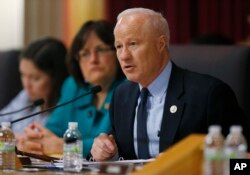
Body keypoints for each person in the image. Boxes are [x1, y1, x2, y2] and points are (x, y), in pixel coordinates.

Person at [90, 8, 249, 161]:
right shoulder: (122, 95)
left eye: (133, 44)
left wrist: (194, 163)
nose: (124, 56)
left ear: (161, 44)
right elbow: (122, 156)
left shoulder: (209, 95)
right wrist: (106, 153)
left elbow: (242, 166)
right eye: (118, 46)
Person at [19, 20, 125, 157]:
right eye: (85, 53)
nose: (93, 59)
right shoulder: (73, 86)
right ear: (77, 60)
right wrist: (35, 141)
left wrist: (66, 146)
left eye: (100, 50)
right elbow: (53, 131)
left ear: (117, 51)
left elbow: (117, 145)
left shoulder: (129, 89)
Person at [0, 37, 68, 135]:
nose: (26, 84)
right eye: (23, 75)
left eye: (35, 78)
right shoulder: (26, 94)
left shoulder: (63, 110)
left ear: (56, 78)